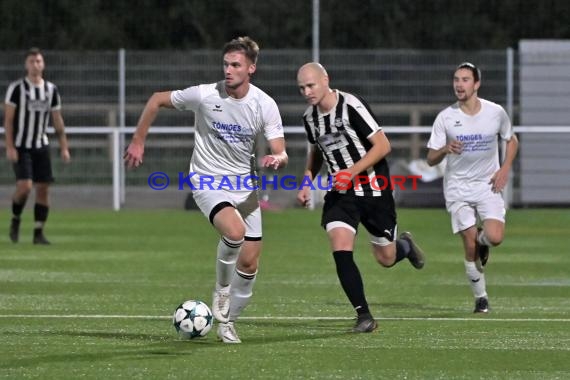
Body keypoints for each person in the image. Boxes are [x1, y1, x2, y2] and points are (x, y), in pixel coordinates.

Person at [124, 37, 288, 343]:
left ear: (251, 68)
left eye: (235, 65)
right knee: (235, 232)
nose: (228, 70)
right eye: (226, 64)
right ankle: (221, 292)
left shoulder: (264, 104)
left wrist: (277, 158)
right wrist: (138, 140)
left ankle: (227, 322)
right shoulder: (203, 94)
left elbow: (281, 149)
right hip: (207, 179)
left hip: (243, 184)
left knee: (251, 262)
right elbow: (156, 99)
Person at [296, 62, 425, 333]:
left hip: (374, 189)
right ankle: (364, 316)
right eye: (301, 88)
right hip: (340, 194)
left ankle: (406, 247)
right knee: (340, 247)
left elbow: (383, 145)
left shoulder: (350, 105)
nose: (306, 92)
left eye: (311, 85)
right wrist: (306, 182)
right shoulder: (310, 118)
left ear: (325, 80)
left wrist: (352, 171)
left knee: (386, 258)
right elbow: (317, 152)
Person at [426, 62, 518, 313]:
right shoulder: (445, 117)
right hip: (457, 188)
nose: (459, 84)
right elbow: (430, 158)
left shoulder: (495, 112)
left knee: (495, 238)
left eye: (465, 79)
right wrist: (445, 149)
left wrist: (505, 168)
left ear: (476, 84)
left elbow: (512, 141)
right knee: (469, 245)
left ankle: (483, 240)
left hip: (487, 184)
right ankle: (481, 298)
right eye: (456, 79)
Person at [4, 47, 70, 245]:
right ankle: (16, 219)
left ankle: (38, 233)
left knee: (43, 189)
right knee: (25, 187)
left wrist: (64, 147)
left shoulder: (51, 90)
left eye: (39, 61)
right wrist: (9, 146)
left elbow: (57, 120)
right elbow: (8, 120)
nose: (36, 64)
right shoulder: (16, 89)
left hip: (42, 146)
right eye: (32, 61)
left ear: (43, 64)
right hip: (22, 146)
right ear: (26, 65)